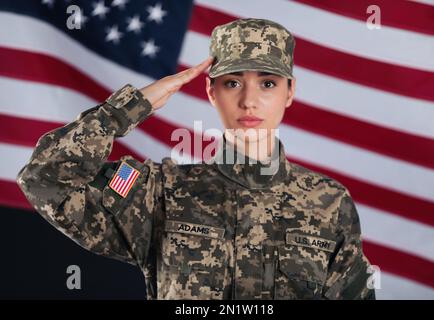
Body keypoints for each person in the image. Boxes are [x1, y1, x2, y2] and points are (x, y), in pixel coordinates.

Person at [16, 18, 375, 300]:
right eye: (233, 82)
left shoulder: (328, 202)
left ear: (290, 91)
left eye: (267, 83)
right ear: (210, 90)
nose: (249, 101)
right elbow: (44, 180)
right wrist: (126, 109)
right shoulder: (160, 191)